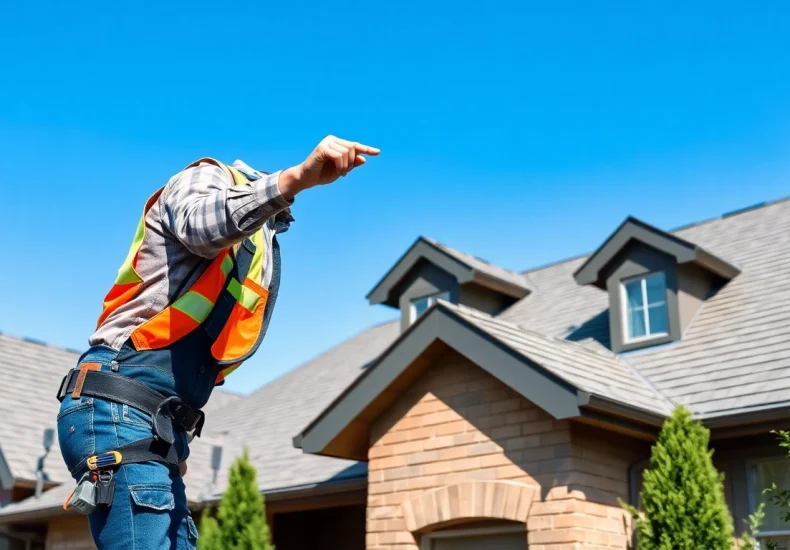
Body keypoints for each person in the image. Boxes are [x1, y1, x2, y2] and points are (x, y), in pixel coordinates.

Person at [55, 136, 379, 549]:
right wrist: (294, 179)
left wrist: (176, 437)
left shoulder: (254, 246)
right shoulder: (206, 177)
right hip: (120, 401)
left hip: (151, 418)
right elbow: (201, 225)